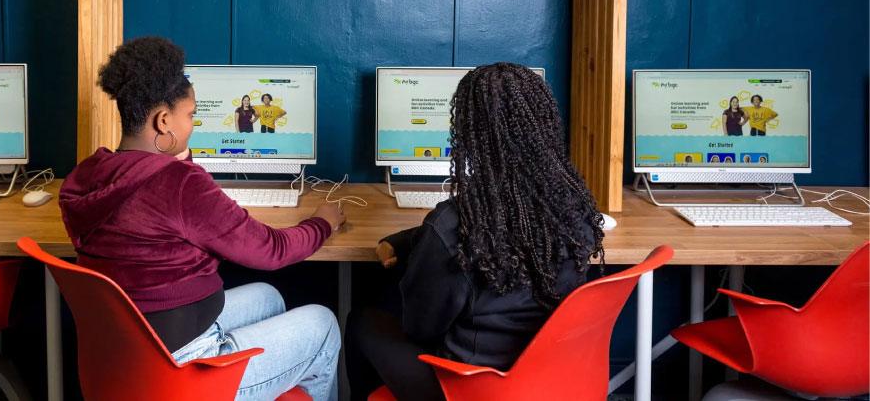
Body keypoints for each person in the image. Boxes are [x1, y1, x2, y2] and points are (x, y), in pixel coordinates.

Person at [60, 37, 344, 401]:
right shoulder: (177, 184)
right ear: (163, 120)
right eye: (190, 115)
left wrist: (176, 151)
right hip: (181, 372)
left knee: (268, 297)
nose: (193, 124)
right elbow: (271, 250)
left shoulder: (89, 174)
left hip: (125, 357)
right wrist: (322, 222)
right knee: (323, 325)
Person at [347, 63, 604, 401]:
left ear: (468, 133)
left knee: (362, 321)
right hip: (549, 379)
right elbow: (505, 228)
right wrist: (411, 240)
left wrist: (427, 240)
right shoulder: (574, 212)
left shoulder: (455, 223)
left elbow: (420, 328)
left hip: (466, 386)